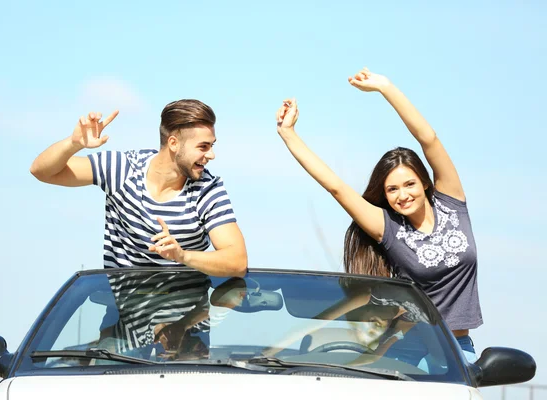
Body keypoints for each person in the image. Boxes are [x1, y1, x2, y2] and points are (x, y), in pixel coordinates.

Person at [274, 67, 482, 361]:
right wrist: (288, 134)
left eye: (409, 184)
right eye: (392, 189)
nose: (403, 195)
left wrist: (386, 87)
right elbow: (336, 188)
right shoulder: (390, 230)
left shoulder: (451, 202)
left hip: (460, 350)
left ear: (424, 182)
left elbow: (429, 139)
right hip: (408, 350)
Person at [30, 99, 248, 277]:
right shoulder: (123, 169)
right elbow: (41, 171)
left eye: (211, 146)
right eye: (203, 147)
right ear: (173, 143)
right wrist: (74, 144)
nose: (211, 155)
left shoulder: (207, 189)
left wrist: (181, 256)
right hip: (121, 317)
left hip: (185, 322)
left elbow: (237, 261)